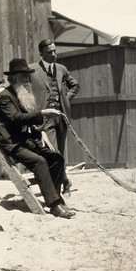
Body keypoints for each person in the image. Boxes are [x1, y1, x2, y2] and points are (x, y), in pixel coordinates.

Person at [0, 58, 76, 219]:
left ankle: (56, 198)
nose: (27, 78)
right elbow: (17, 118)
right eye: (24, 75)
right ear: (14, 77)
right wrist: (43, 113)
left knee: (56, 159)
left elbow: (35, 119)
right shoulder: (5, 97)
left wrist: (41, 132)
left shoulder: (24, 93)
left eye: (28, 75)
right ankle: (54, 206)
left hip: (27, 139)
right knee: (40, 161)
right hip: (12, 143)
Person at [29, 39, 80, 194]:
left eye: (54, 50)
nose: (54, 54)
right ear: (41, 53)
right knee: (53, 153)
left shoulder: (61, 69)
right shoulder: (32, 69)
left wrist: (65, 98)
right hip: (45, 119)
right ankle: (57, 189)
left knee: (60, 153)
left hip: (61, 117)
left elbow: (75, 85)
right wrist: (0, 88)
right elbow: (13, 81)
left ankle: (64, 181)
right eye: (49, 52)